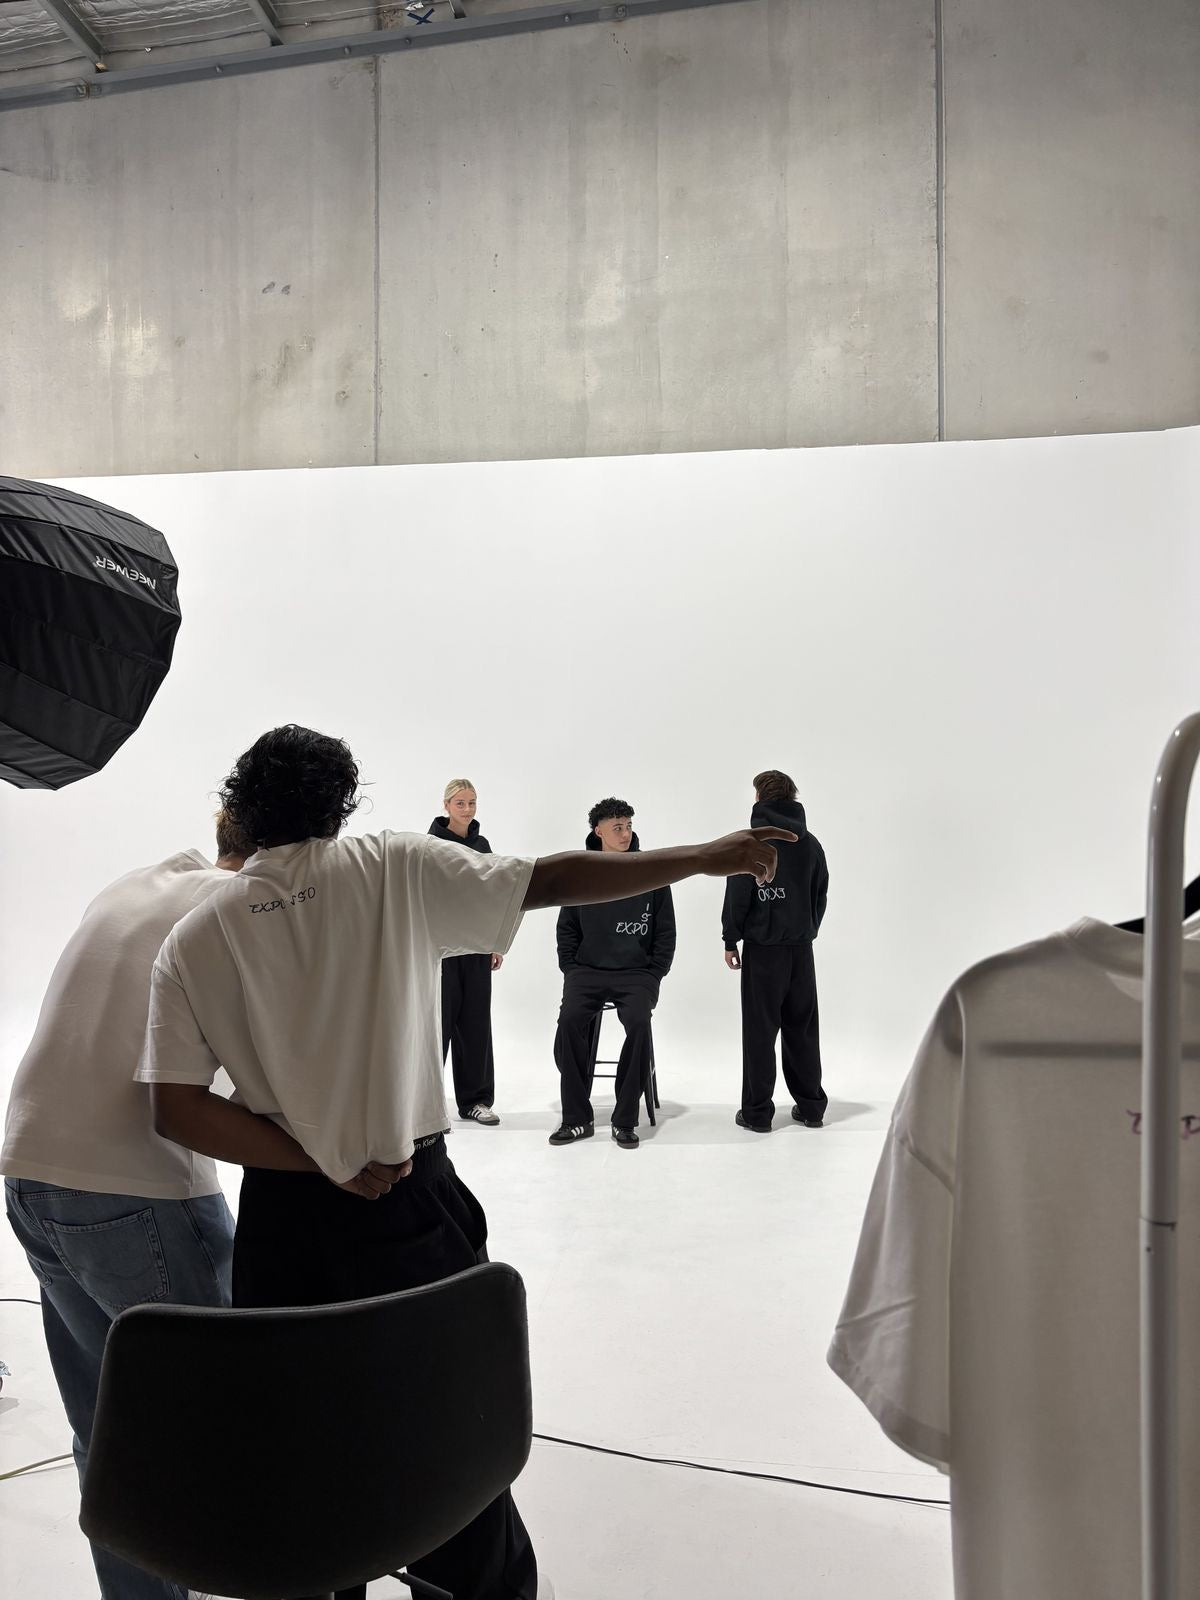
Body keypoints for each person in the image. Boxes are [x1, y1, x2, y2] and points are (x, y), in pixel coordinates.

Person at [138, 724, 792, 1600]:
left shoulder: (194, 936)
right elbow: (551, 880)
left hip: (284, 1231)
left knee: (308, 1465)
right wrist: (705, 857)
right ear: (339, 805)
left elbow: (176, 1106)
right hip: (409, 1203)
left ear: (243, 809)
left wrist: (317, 1161)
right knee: (451, 1462)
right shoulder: (389, 866)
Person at [3, 814, 250, 1600]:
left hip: (29, 1169)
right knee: (216, 1423)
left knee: (104, 1426)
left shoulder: (138, 883)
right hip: (131, 1187)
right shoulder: (244, 909)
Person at [550, 798, 675, 1150]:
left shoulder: (651, 872)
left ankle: (625, 1119)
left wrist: (654, 973)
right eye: (617, 827)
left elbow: (666, 932)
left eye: (628, 826)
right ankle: (577, 1118)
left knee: (639, 1023)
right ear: (599, 832)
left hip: (636, 974)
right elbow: (566, 928)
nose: (625, 833)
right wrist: (572, 969)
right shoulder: (581, 873)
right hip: (586, 972)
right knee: (569, 1023)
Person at [722, 769, 829, 1132]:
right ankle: (812, 1108)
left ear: (759, 799)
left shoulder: (750, 845)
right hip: (801, 950)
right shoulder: (811, 844)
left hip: (763, 950)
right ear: (792, 798)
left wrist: (730, 938)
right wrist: (808, 927)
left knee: (759, 1031)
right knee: (803, 1028)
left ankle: (757, 1114)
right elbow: (820, 891)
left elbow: (738, 893)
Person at [429, 779, 503, 1126]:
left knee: (475, 1022)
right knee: (436, 1025)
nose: (467, 809)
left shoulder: (481, 845)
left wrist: (494, 941)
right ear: (446, 805)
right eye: (460, 803)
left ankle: (476, 1101)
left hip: (475, 946)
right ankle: (426, 1106)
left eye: (472, 802)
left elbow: (491, 894)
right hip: (441, 948)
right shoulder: (430, 845)